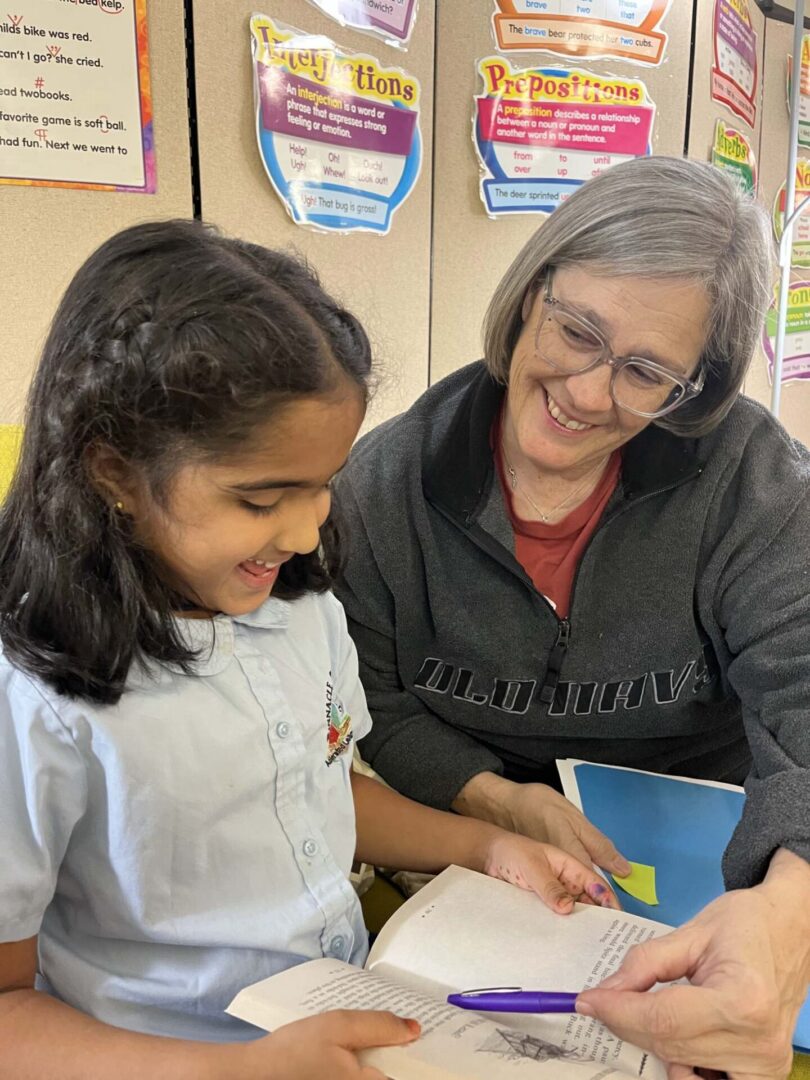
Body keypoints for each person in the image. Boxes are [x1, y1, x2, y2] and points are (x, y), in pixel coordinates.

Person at [0, 221, 620, 1079]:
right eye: (261, 499)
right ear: (112, 472)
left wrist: (481, 845)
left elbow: (316, 793)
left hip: (344, 1008)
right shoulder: (34, 702)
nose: (303, 529)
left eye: (321, 485)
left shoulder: (296, 607)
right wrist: (235, 1071)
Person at [334, 156, 810, 1078]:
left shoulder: (755, 487)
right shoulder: (379, 490)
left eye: (645, 372)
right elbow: (378, 701)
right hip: (474, 878)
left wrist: (788, 905)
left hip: (714, 867)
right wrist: (493, 799)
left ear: (697, 388)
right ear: (528, 296)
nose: (589, 394)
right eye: (577, 331)